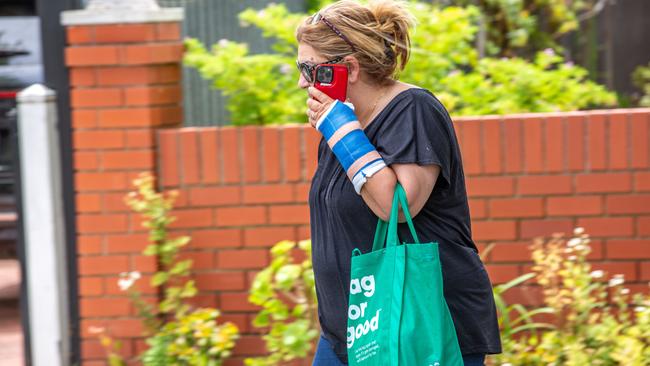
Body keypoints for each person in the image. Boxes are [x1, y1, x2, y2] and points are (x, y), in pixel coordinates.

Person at [296, 1, 502, 365]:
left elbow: (396, 207)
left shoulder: (413, 110)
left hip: (422, 330)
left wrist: (341, 131)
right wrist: (341, 129)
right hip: (352, 332)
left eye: (309, 69)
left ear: (349, 69)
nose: (302, 82)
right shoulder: (344, 124)